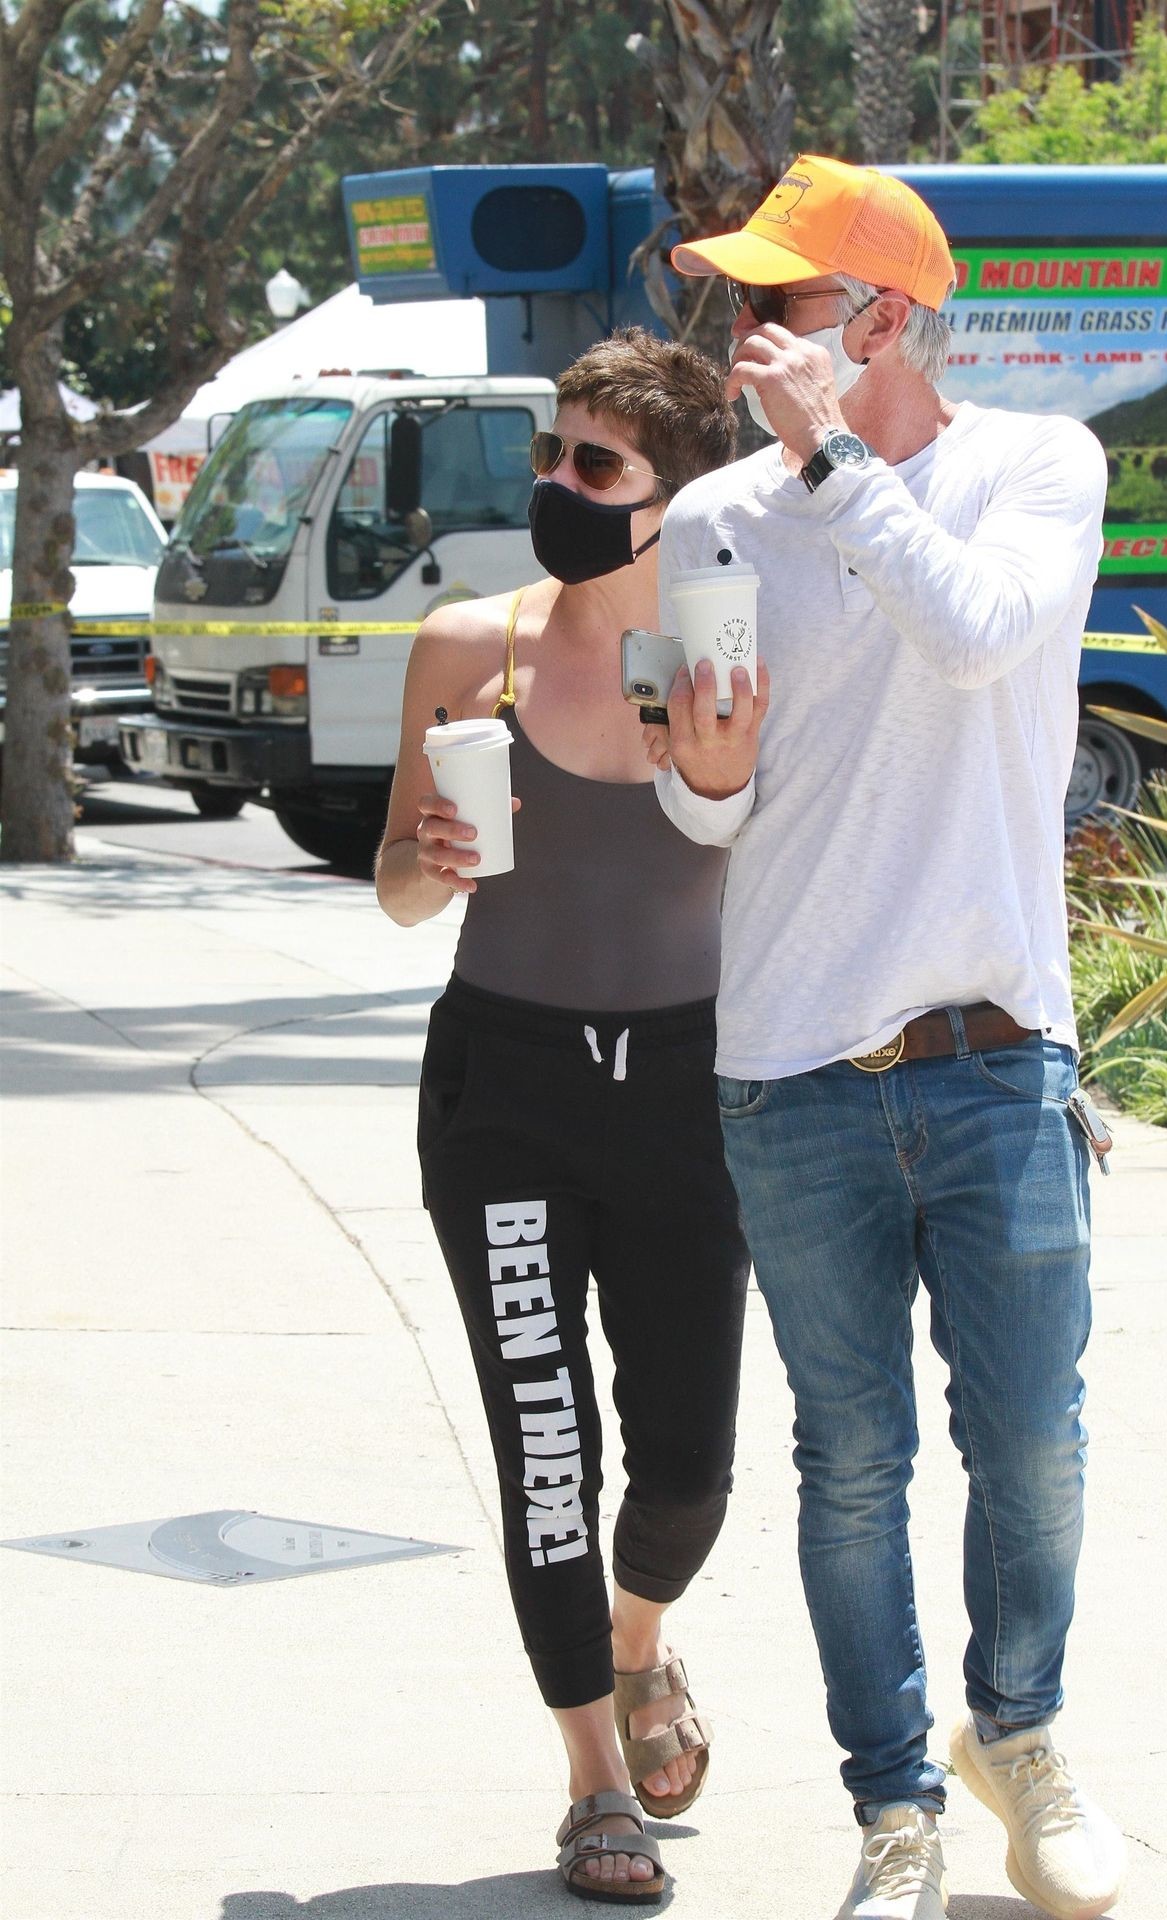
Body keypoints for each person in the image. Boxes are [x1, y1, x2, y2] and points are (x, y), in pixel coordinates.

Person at [644, 156, 1127, 1920]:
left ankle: (1024, 1732)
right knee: (850, 1465)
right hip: (789, 1066)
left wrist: (837, 462)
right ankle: (895, 1807)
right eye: (743, 299)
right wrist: (704, 770)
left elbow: (980, 636)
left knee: (1035, 1443)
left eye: (781, 301)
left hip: (998, 1049)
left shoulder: (1036, 467)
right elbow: (708, 802)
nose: (746, 332)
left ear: (885, 322)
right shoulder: (712, 518)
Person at [376, 328, 748, 1906]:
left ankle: (638, 1637)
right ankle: (594, 1774)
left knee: (689, 1465)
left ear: (671, 498)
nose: (557, 483)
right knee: (546, 1446)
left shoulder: (718, 652)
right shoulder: (473, 648)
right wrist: (434, 860)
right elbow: (397, 890)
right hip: (507, 1086)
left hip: (685, 1090)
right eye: (552, 452)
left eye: (595, 464)